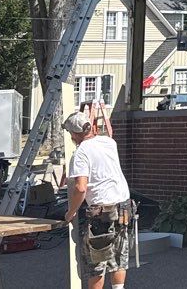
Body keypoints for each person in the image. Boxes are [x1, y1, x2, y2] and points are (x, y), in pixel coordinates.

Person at [63, 111, 133, 289]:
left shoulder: (81, 153)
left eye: (70, 133)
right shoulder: (109, 142)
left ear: (75, 134)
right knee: (118, 257)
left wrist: (71, 212)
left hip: (102, 210)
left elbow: (80, 187)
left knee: (97, 262)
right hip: (124, 205)